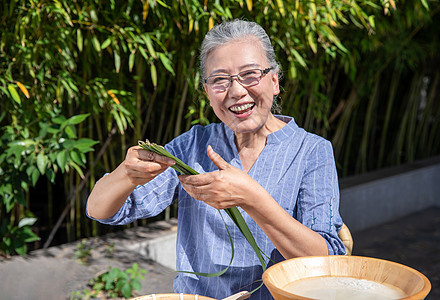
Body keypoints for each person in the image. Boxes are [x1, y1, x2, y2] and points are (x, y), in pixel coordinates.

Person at [87, 19, 346, 299]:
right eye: (220, 80)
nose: (236, 91)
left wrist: (251, 198)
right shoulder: (193, 145)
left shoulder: (311, 151)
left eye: (250, 74)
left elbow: (328, 262)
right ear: (207, 92)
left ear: (274, 81)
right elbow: (101, 210)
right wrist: (126, 173)